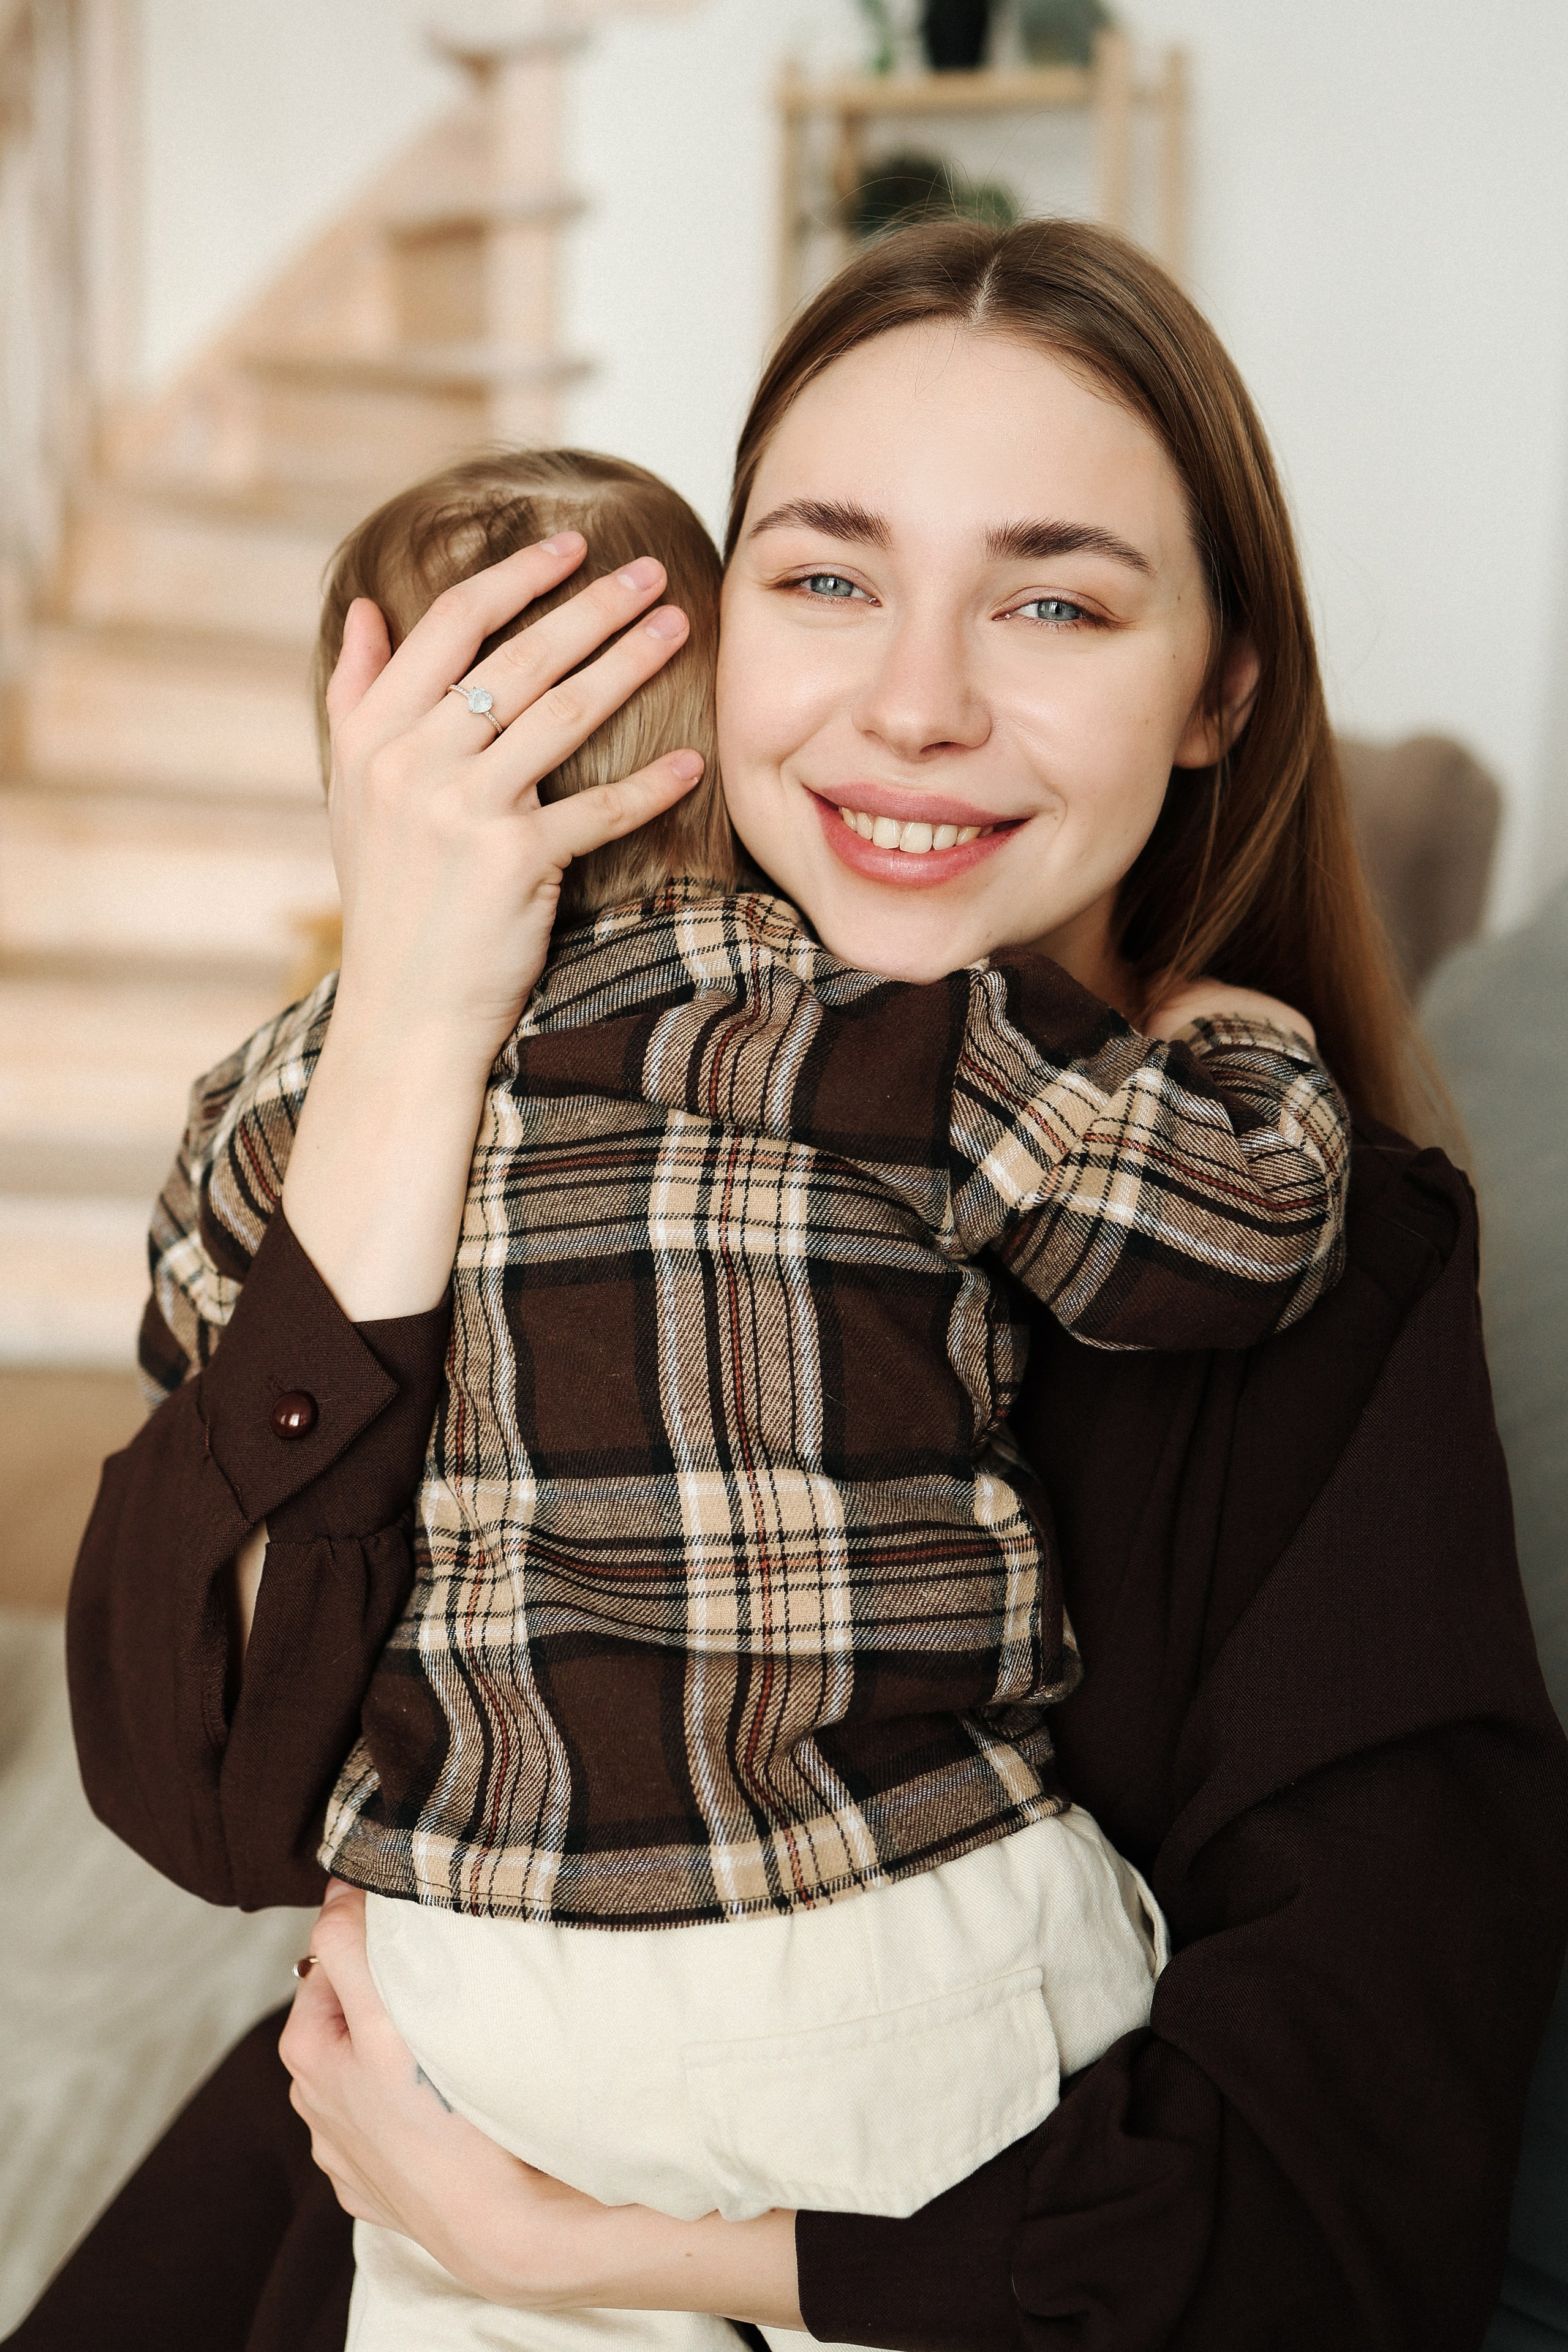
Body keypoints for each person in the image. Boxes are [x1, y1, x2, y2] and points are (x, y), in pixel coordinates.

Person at [31, 219, 1568, 2352]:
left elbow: (1341, 2187)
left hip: (805, 2254)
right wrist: (402, 1037)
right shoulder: (454, 1126)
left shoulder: (1330, 1266)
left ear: (1220, 683)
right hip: (417, 2126)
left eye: (1053, 600)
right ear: (704, 635)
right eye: (827, 578)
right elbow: (204, 1801)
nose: (914, 707)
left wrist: (599, 2252)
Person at [153, 432, 1347, 2350]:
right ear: (722, 730)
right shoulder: (893, 1018)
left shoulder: (275, 1097)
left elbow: (214, 1383)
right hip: (884, 1909)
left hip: (486, 1985)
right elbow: (1239, 1235)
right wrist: (1247, 1052)